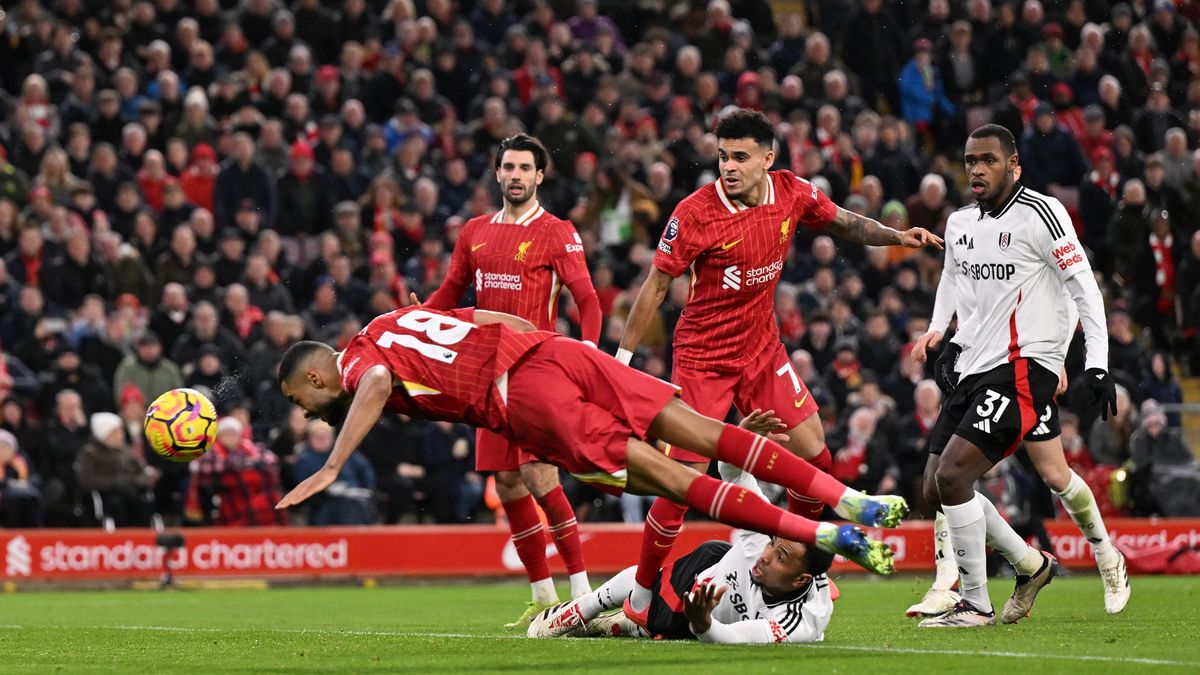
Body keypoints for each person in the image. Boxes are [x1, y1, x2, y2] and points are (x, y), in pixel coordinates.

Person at [275, 306, 909, 585]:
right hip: (557, 353)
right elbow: (506, 323)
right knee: (711, 435)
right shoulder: (387, 323)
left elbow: (379, 382)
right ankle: (849, 502)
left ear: (315, 377)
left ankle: (825, 536)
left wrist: (333, 465)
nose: (312, 412)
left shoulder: (360, 367)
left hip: (522, 398)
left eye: (306, 403)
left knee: (671, 480)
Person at [615, 108, 940, 623]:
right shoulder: (695, 213)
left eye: (740, 157)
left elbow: (844, 222)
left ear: (768, 158)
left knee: (816, 456)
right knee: (681, 481)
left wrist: (897, 237)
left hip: (762, 349)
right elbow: (656, 285)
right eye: (722, 156)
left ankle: (804, 562)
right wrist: (623, 362)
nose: (729, 167)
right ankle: (638, 594)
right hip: (703, 359)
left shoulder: (791, 191)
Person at [913, 125, 1117, 628]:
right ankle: (1031, 565)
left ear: (1014, 165)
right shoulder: (960, 223)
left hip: (1028, 365)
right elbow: (953, 278)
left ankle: (975, 603)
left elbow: (1085, 290)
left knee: (969, 474)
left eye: (987, 160)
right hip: (976, 363)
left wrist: (1096, 363)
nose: (977, 170)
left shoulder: (1043, 215)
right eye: (969, 161)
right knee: (934, 489)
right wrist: (942, 332)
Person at [419, 134, 602, 626]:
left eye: (525, 168)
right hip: (486, 373)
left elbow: (587, 300)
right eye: (509, 168)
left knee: (541, 476)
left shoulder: (557, 232)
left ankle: (583, 595)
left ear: (540, 176)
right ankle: (544, 601)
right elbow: (448, 293)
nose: (516, 175)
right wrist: (411, 319)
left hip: (537, 372)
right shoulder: (474, 231)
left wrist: (587, 354)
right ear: (497, 174)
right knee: (507, 483)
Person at [527, 463, 833, 644]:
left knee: (660, 626)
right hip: (707, 573)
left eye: (781, 557)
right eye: (772, 545)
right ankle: (584, 609)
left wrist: (703, 623)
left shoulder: (800, 621)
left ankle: (621, 624)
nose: (767, 555)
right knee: (651, 607)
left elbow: (736, 639)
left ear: (800, 580)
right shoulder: (759, 541)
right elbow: (735, 477)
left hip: (705, 612)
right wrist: (744, 442)